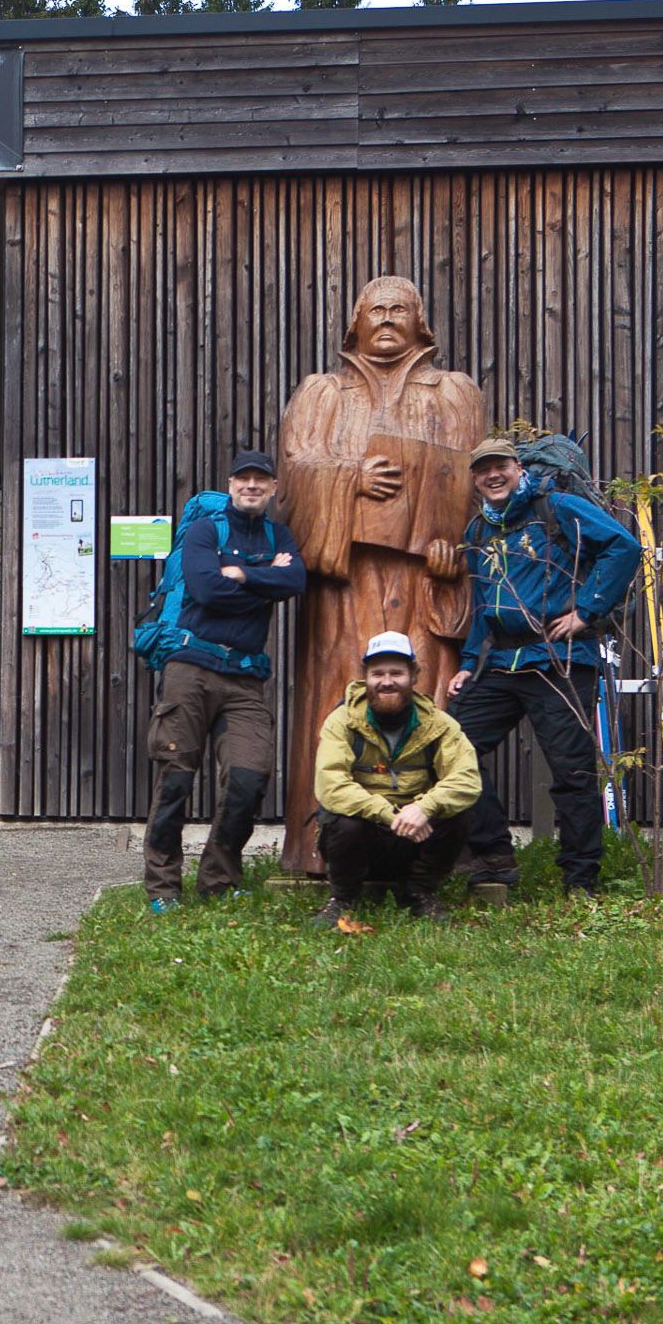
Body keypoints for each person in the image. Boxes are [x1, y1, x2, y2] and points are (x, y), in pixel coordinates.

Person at [275, 276, 485, 875]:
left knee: (428, 701)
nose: (388, 320)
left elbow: (473, 481)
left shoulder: (454, 391)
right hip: (345, 585)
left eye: (400, 310)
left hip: (426, 586)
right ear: (356, 323)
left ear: (421, 322)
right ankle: (323, 848)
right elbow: (294, 474)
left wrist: (456, 544)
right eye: (376, 310)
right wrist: (349, 479)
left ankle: (432, 853)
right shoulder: (323, 392)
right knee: (338, 701)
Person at [445, 437, 644, 894]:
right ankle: (494, 853)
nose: (493, 475)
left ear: (518, 468)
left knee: (572, 771)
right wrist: (469, 662)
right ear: (475, 479)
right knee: (453, 747)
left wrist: (587, 612)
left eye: (501, 466)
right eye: (483, 470)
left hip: (561, 660)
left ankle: (581, 878)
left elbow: (623, 547)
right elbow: (482, 604)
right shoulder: (478, 531)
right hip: (501, 660)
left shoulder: (558, 507)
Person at [141, 450, 306, 907]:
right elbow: (206, 589)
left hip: (245, 678)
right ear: (231, 484)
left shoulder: (280, 533)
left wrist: (240, 574)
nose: (252, 486)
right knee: (176, 779)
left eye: (261, 479)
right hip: (190, 669)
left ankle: (218, 880)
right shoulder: (204, 530)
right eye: (243, 479)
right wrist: (261, 582)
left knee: (248, 778)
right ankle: (163, 888)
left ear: (273, 488)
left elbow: (295, 581)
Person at [312, 632, 483, 926]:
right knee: (343, 819)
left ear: (413, 676)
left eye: (396, 673)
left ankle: (420, 892)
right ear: (365, 677)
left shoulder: (439, 724)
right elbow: (331, 785)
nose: (387, 681)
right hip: (363, 836)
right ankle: (342, 898)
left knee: (460, 811)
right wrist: (388, 814)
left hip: (416, 838)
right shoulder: (341, 721)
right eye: (377, 673)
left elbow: (467, 778)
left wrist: (425, 807)